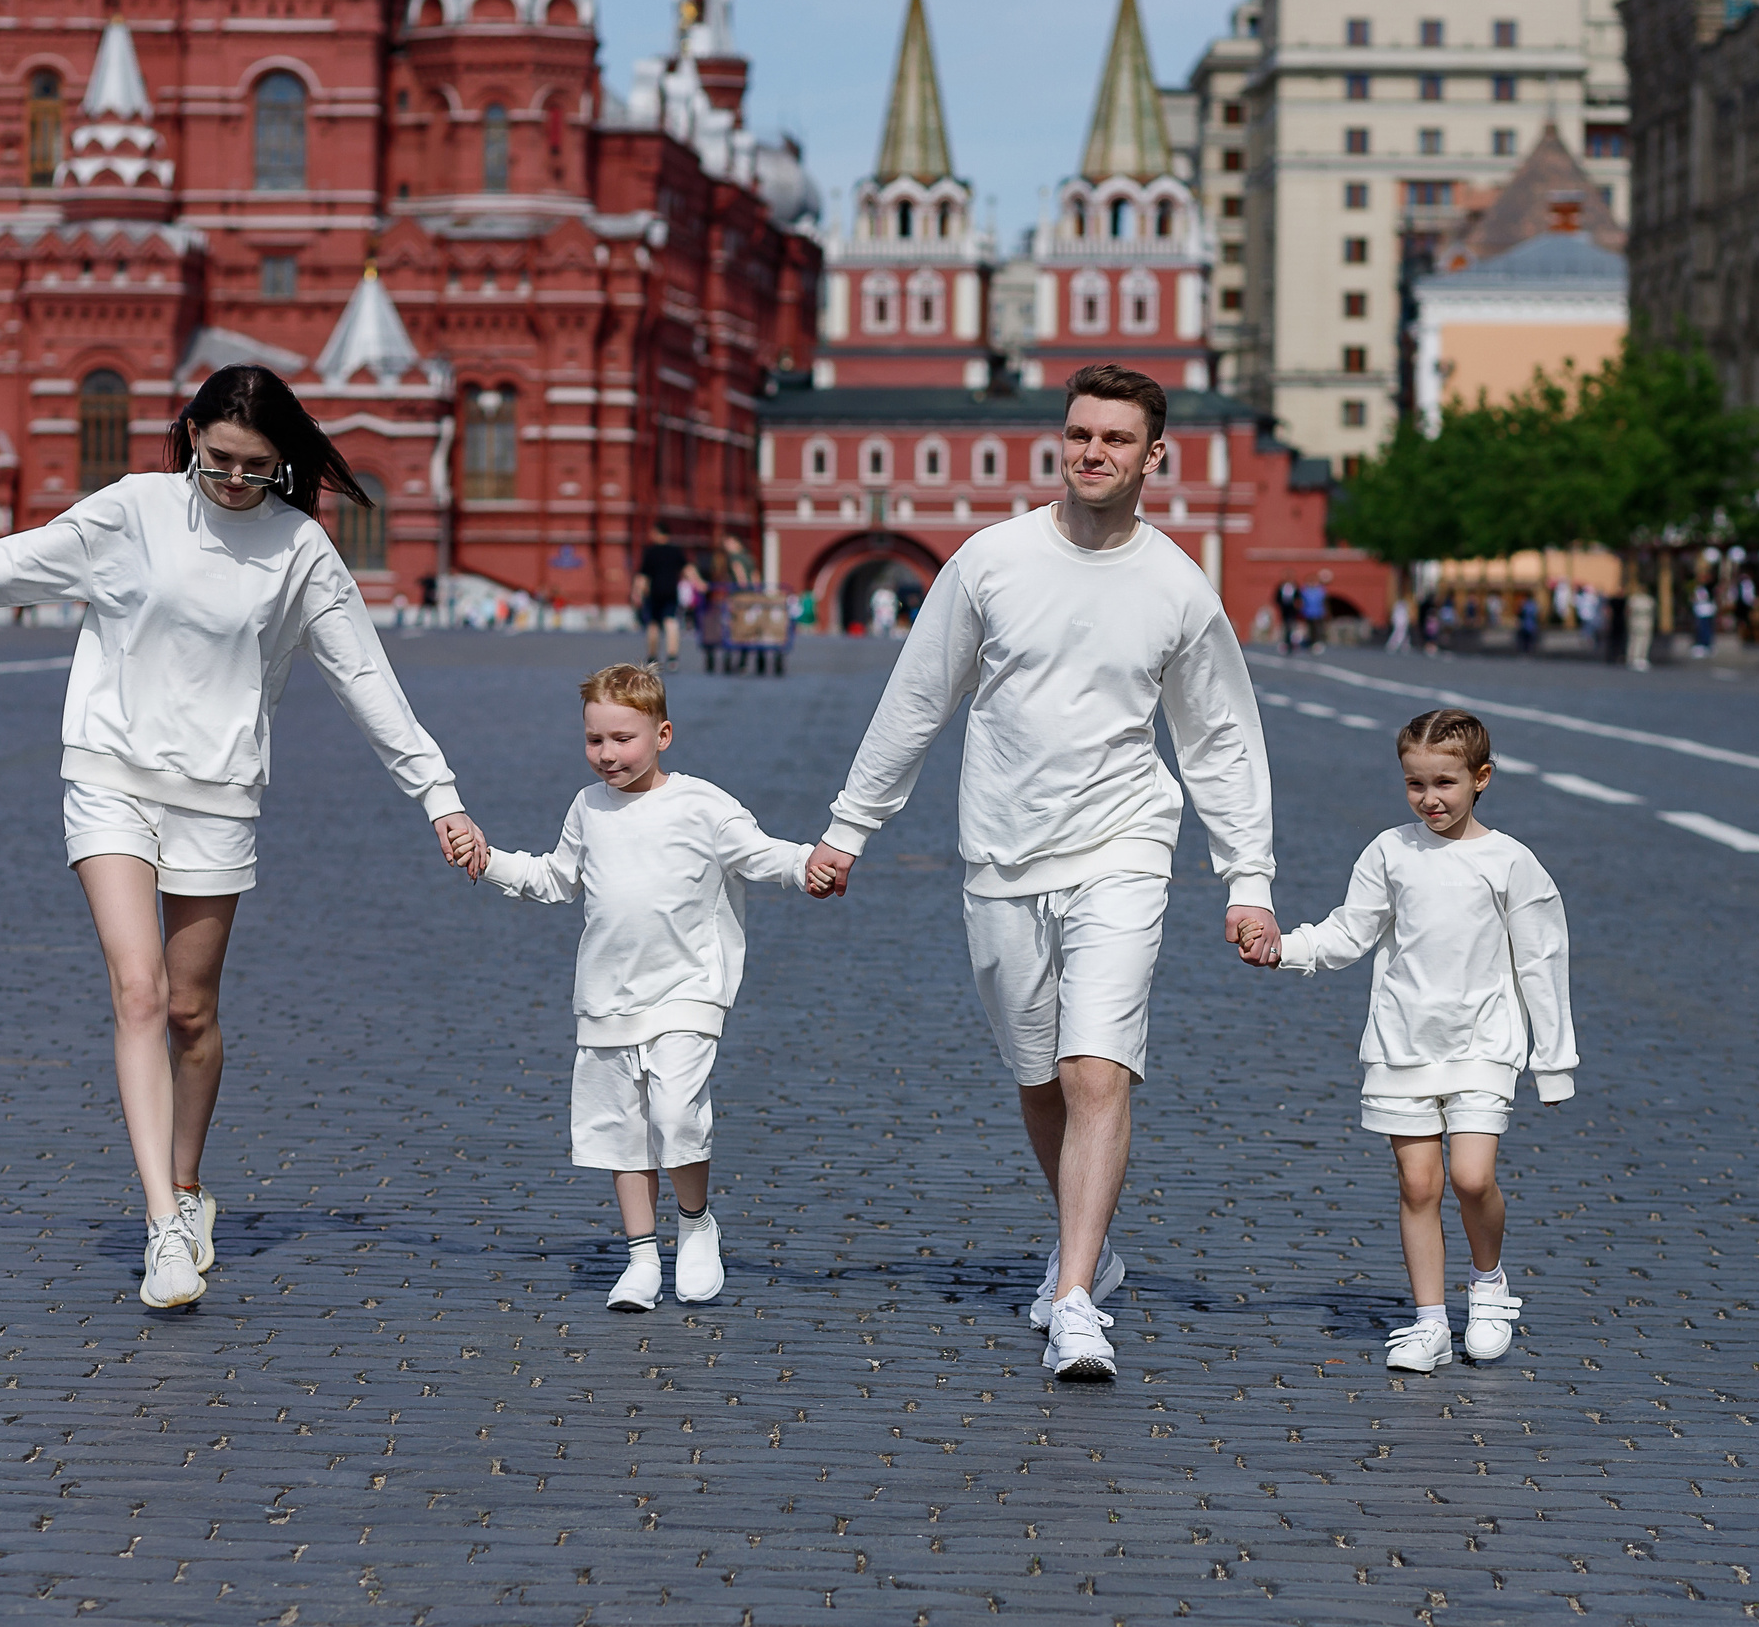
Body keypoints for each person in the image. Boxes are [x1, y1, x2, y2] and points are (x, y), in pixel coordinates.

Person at [0, 364, 491, 1311]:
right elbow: (14, 562)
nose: (234, 481)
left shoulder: (300, 551)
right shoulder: (135, 510)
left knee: (193, 1014)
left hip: (218, 792)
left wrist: (437, 794)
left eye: (257, 467)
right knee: (139, 988)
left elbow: (366, 680)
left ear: (284, 463)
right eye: (220, 459)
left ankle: (191, 1186)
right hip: (109, 771)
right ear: (192, 432)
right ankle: (163, 1222)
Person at [802, 363, 1278, 1384]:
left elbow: (1220, 743)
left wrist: (1247, 879)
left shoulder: (1177, 588)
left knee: (1093, 1067)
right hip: (1002, 854)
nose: (1092, 452)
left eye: (1114, 438)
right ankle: (1091, 1243)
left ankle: (1073, 1299)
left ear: (1158, 455)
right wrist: (851, 826)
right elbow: (916, 698)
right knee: (1037, 1081)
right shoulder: (989, 562)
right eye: (1077, 435)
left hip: (1122, 849)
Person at [482, 663, 811, 1312]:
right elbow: (554, 877)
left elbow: (758, 853)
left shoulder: (701, 804)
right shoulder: (588, 807)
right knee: (621, 1132)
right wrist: (486, 860)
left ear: (663, 733)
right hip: (606, 998)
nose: (607, 754)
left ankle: (694, 1224)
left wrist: (809, 865)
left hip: (687, 990)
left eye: (622, 738)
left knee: (676, 1115)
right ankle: (640, 1257)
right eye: (594, 739)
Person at [1255, 708, 1576, 1372]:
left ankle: (1487, 1284)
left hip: (1484, 1043)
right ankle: (1429, 1321)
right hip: (1402, 1043)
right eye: (1415, 783)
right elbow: (1350, 931)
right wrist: (1283, 947)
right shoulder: (1389, 852)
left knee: (1470, 1175)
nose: (1430, 798)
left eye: (1446, 782)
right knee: (1418, 1183)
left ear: (1481, 778)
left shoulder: (1510, 861)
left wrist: (1554, 1062)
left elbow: (1540, 961)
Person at [633, 525, 689, 667]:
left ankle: (652, 658)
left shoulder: (650, 552)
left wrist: (637, 593)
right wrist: (700, 584)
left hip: (654, 593)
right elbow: (688, 568)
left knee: (653, 625)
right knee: (671, 622)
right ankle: (672, 657)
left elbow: (643, 576)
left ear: (658, 534)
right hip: (670, 592)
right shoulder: (675, 551)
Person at [1624, 587, 1656, 671]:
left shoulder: (1643, 599)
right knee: (1637, 640)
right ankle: (1635, 658)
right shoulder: (1638, 599)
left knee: (1642, 640)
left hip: (1642, 620)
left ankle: (1639, 658)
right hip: (1639, 620)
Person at [1690, 580, 1718, 658]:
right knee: (1703, 629)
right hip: (1702, 612)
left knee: (1704, 629)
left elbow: (1698, 598)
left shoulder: (1703, 589)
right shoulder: (1701, 589)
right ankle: (1705, 645)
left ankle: (1706, 645)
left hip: (1704, 612)